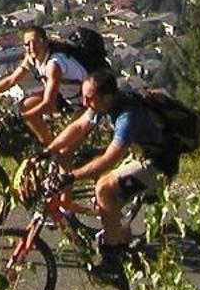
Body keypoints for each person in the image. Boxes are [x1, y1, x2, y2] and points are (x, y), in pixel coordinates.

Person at [44, 67, 170, 273]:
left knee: (104, 188)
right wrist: (49, 151)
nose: (85, 103)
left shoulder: (128, 117)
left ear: (107, 97)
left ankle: (113, 257)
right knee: (107, 203)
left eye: (89, 98)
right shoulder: (102, 104)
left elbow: (108, 160)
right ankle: (128, 250)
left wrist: (70, 177)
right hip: (141, 154)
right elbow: (78, 127)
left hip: (159, 162)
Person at [0, 25, 88, 146]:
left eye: (36, 42)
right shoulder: (32, 59)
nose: (32, 47)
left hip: (85, 102)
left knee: (65, 150)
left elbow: (48, 103)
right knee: (25, 106)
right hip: (64, 97)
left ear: (45, 43)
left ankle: (57, 152)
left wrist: (20, 118)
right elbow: (11, 81)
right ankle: (50, 147)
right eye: (27, 44)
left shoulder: (54, 64)